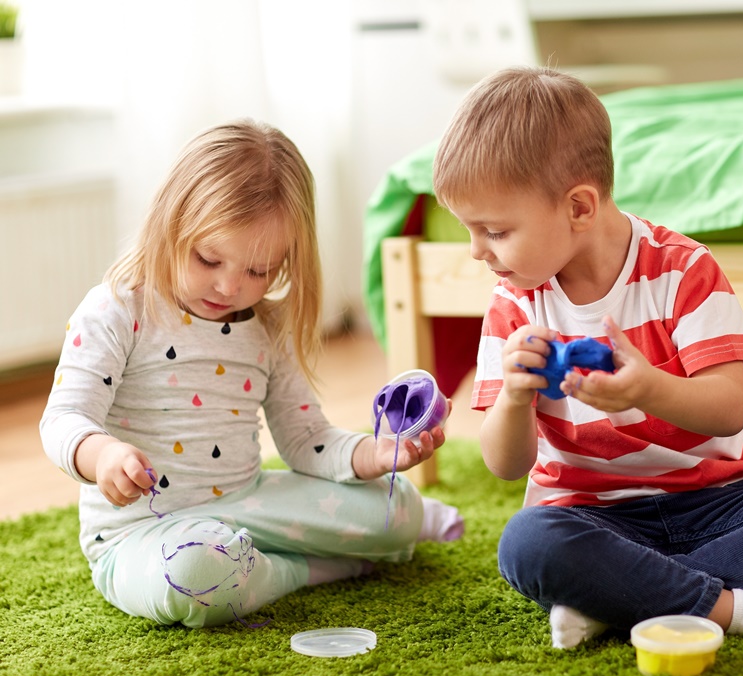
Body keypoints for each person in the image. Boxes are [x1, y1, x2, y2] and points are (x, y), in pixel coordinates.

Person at [431, 66, 743, 649]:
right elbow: (505, 465)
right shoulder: (514, 301)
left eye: (494, 230)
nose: (475, 251)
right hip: (591, 517)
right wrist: (515, 398)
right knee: (527, 542)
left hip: (714, 506)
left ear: (580, 207)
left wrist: (647, 390)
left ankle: (618, 601)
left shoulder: (684, 270)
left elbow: (729, 411)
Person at [40, 119, 463, 629]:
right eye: (209, 258)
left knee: (396, 511)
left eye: (258, 272)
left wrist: (374, 454)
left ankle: (270, 558)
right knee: (197, 573)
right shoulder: (116, 308)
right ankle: (309, 569)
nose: (228, 286)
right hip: (141, 532)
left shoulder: (267, 326)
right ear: (170, 223)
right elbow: (64, 417)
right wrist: (100, 453)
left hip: (249, 501)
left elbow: (306, 439)